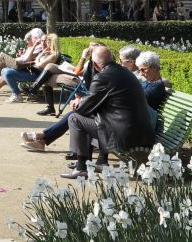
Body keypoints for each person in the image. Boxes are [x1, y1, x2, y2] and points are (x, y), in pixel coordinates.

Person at [61, 46, 156, 178]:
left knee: (75, 118)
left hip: (125, 135)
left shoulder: (103, 77)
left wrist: (79, 102)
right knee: (89, 116)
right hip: (140, 132)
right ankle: (88, 163)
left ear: (94, 64)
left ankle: (81, 167)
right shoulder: (124, 72)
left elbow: (84, 108)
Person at [2, 34, 60, 103]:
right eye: (42, 41)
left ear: (51, 42)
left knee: (7, 72)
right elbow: (36, 62)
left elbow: (40, 65)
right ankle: (15, 94)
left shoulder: (54, 55)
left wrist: (37, 60)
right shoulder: (45, 52)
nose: (43, 43)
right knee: (4, 70)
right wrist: (42, 53)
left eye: (45, 41)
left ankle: (17, 95)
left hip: (38, 75)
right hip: (32, 71)